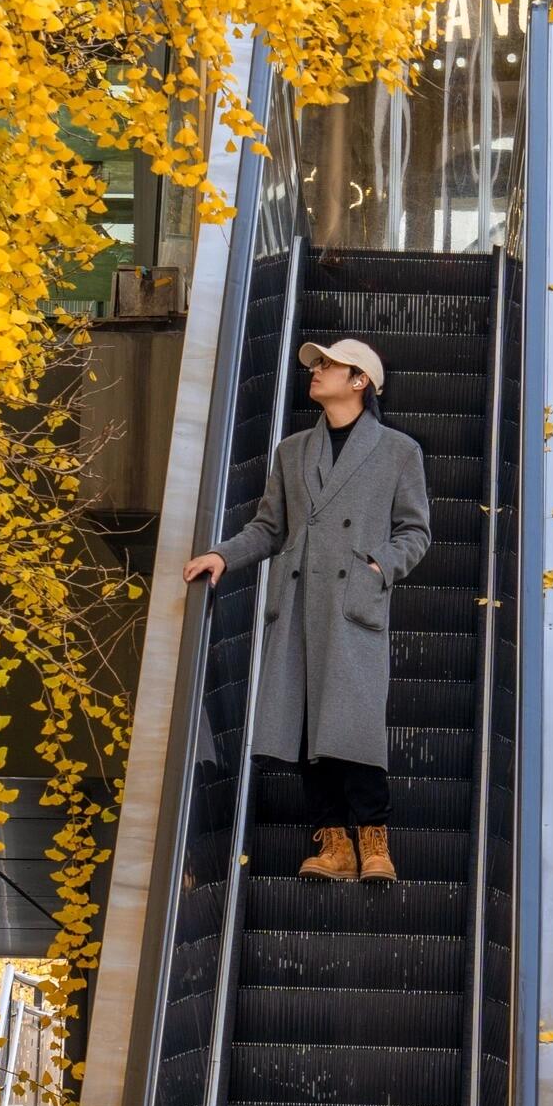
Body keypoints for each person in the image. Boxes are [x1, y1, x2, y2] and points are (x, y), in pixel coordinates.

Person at [183, 336, 430, 883]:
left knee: (354, 726)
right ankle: (333, 844)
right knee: (307, 727)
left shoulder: (398, 451)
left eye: (329, 365)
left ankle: (374, 841)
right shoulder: (292, 450)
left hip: (352, 604)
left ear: (360, 381)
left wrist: (378, 567)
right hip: (298, 603)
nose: (315, 370)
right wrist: (223, 555)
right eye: (316, 363)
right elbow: (269, 527)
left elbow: (415, 531)